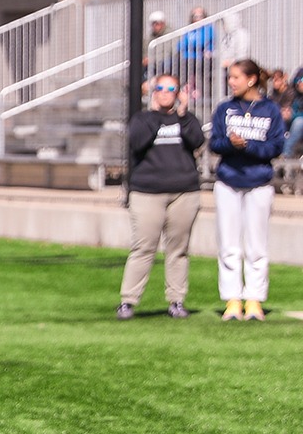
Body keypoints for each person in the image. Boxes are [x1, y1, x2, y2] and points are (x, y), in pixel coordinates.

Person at [120, 73, 204, 319]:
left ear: (179, 93)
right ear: (152, 91)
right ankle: (128, 300)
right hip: (147, 192)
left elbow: (196, 140)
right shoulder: (142, 119)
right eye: (161, 88)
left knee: (178, 249)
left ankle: (176, 300)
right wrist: (157, 114)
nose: (166, 92)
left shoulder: (186, 119)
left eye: (171, 88)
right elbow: (138, 142)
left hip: (184, 191)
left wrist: (183, 114)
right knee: (143, 247)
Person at [210, 58, 287, 321]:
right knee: (229, 244)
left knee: (257, 245)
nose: (231, 82)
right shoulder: (225, 109)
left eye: (235, 77)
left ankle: (254, 300)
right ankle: (232, 300)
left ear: (251, 79)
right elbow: (215, 143)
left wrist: (249, 146)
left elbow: (276, 147)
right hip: (228, 181)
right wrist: (231, 144)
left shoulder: (270, 109)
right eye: (230, 78)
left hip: (259, 182)